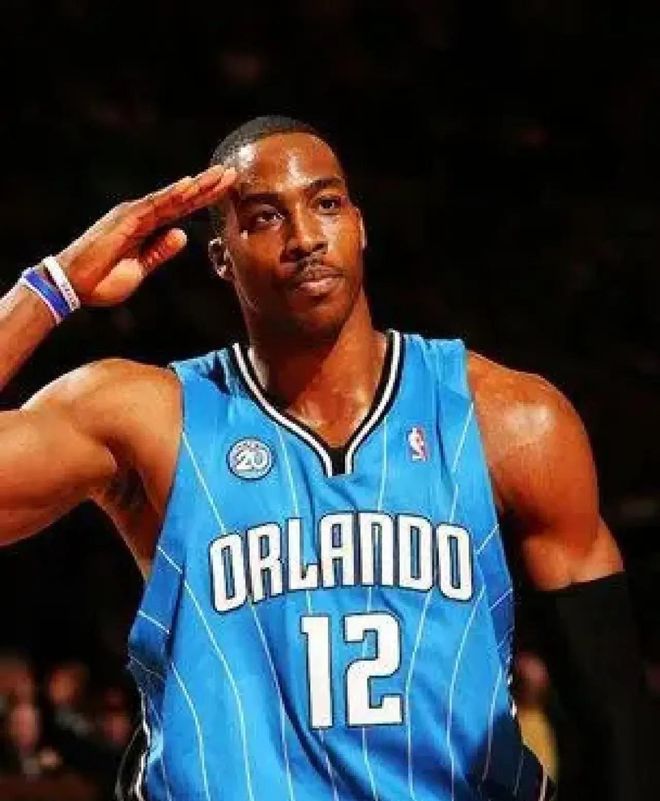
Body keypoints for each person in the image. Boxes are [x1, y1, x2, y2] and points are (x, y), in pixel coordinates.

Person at [0, 116, 650, 801]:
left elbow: (618, 723)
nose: (305, 237)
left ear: (360, 226)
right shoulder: (148, 419)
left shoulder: (512, 421)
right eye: (265, 217)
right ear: (220, 257)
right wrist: (55, 284)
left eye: (327, 203)